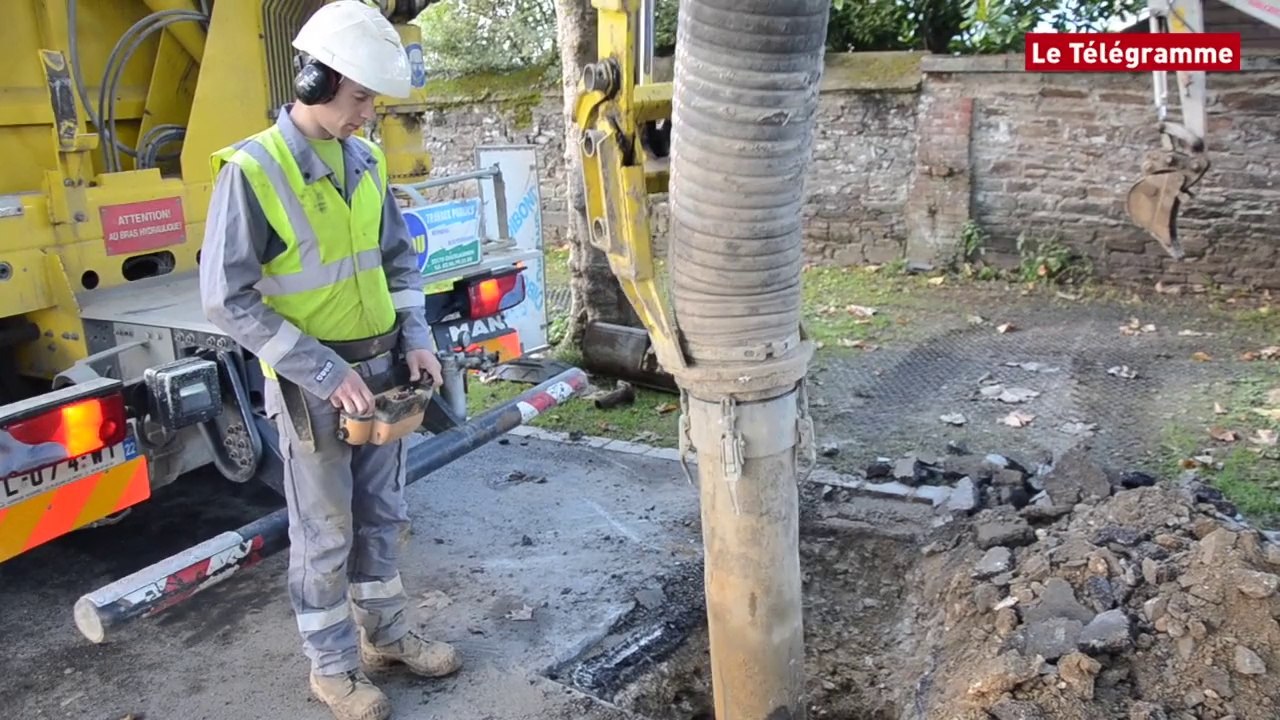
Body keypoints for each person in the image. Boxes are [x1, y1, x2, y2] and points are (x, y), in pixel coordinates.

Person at [198, 3, 460, 719]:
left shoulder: (367, 161)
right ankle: (333, 667)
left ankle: (389, 637)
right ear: (314, 80)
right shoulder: (254, 171)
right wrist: (322, 371)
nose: (369, 116)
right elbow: (227, 301)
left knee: (382, 514)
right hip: (318, 389)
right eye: (360, 99)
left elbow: (399, 263)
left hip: (386, 375)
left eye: (374, 101)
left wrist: (417, 339)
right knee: (326, 531)